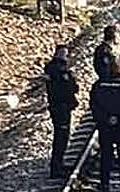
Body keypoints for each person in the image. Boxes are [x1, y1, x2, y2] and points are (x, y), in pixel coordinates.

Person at [90, 58, 120, 192]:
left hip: (105, 126)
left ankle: (104, 182)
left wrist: (107, 118)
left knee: (106, 153)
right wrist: (119, 118)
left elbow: (94, 105)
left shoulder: (99, 85)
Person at [44, 44, 79, 178]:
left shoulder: (58, 69)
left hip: (61, 107)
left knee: (62, 137)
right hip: (60, 107)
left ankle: (59, 165)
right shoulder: (58, 70)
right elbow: (69, 88)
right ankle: (56, 168)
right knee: (61, 137)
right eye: (64, 53)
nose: (66, 56)